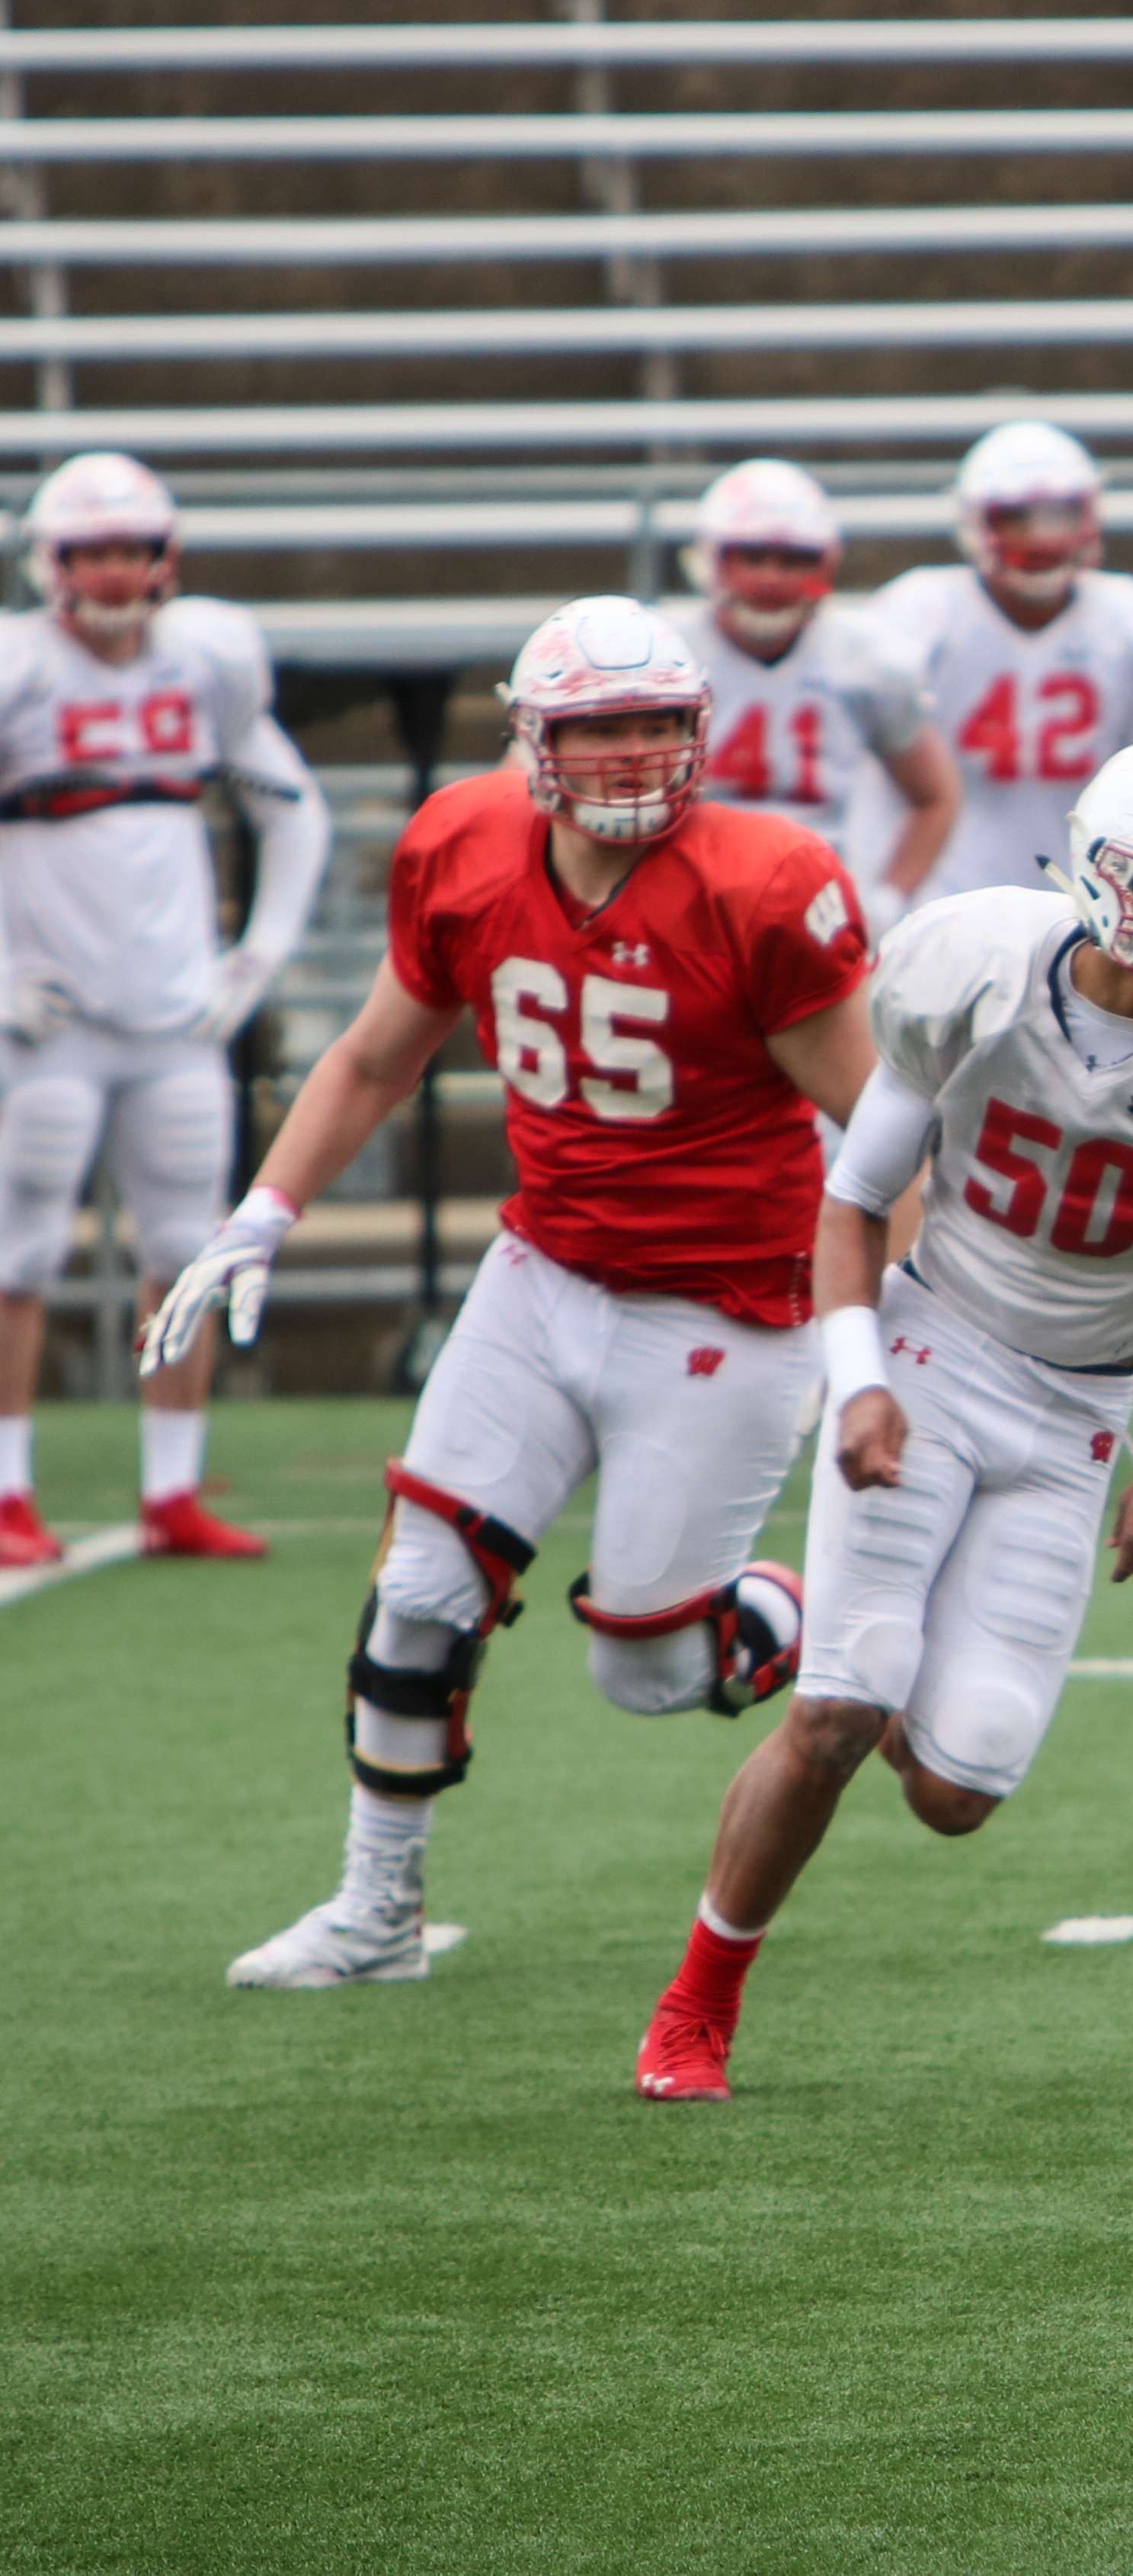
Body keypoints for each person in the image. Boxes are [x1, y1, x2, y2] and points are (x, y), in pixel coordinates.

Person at [152, 598, 876, 1988]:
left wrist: (880, 1339)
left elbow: (880, 1131)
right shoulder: (462, 845)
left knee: (651, 1676)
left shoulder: (762, 882)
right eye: (598, 729)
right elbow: (375, 1055)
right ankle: (378, 1911)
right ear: (532, 740)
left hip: (724, 1307)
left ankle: (823, 1619)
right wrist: (263, 1212)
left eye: (657, 723)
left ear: (699, 730)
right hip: (543, 1272)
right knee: (422, 1587)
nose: (631, 756)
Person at [632, 739, 1133, 2100]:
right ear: (1103, 879)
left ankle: (820, 1624)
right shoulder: (974, 967)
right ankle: (698, 2004)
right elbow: (849, 1202)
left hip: (1078, 1411)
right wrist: (862, 1380)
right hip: (932, 1340)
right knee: (841, 1713)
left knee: (957, 1795)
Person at [0, 452, 329, 1567]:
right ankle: (8, 1491)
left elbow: (293, 810)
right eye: (91, 549)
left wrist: (259, 957)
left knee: (190, 1247)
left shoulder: (207, 659)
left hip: (176, 1015)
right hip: (45, 1020)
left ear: (164, 556)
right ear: (51, 560)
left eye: (129, 548)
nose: (112, 570)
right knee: (21, 1250)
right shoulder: (18, 667)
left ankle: (173, 1490)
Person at [870, 421, 1133, 903]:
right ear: (976, 521)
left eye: (1058, 515)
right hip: (944, 891)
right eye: (1015, 517)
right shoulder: (921, 615)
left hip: (1084, 893)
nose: (1039, 538)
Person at [680, 457, 962, 939]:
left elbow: (936, 797)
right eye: (752, 556)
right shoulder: (669, 653)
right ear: (714, 559)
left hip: (814, 901)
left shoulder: (868, 658)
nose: (771, 577)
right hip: (687, 896)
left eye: (792, 559)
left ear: (825, 564)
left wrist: (888, 897)